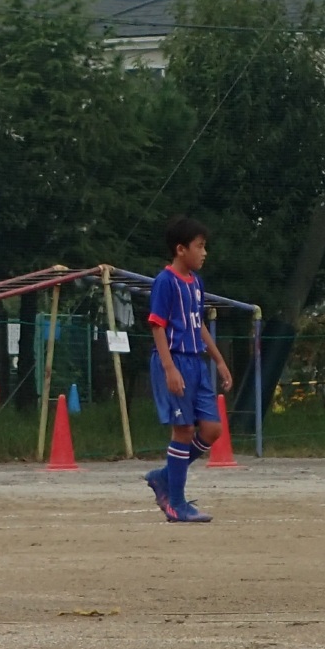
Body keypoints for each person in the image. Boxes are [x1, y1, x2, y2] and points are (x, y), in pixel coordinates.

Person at [143, 216, 232, 523]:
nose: (204, 252)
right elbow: (157, 326)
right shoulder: (165, 281)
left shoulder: (196, 283)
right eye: (200, 246)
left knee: (212, 429)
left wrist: (218, 360)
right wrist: (169, 369)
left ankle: (164, 476)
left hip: (196, 362)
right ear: (181, 249)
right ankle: (176, 503)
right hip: (175, 360)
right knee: (183, 430)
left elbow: (199, 324)